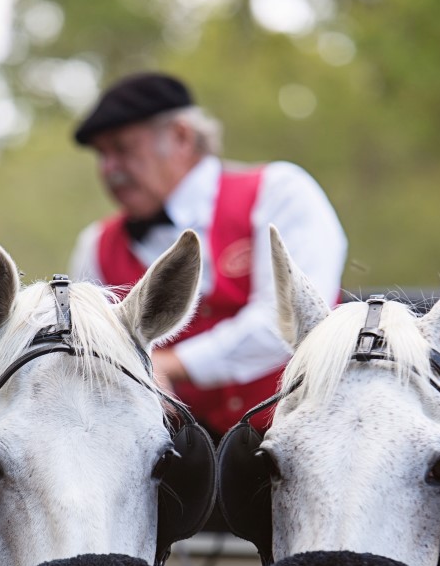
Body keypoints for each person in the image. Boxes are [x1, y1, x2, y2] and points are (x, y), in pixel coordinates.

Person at [69, 71, 348, 439]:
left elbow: (292, 322)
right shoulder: (96, 245)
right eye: (102, 155)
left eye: (122, 148)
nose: (109, 170)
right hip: (175, 463)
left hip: (306, 439)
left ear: (181, 136)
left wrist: (168, 364)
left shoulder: (280, 192)